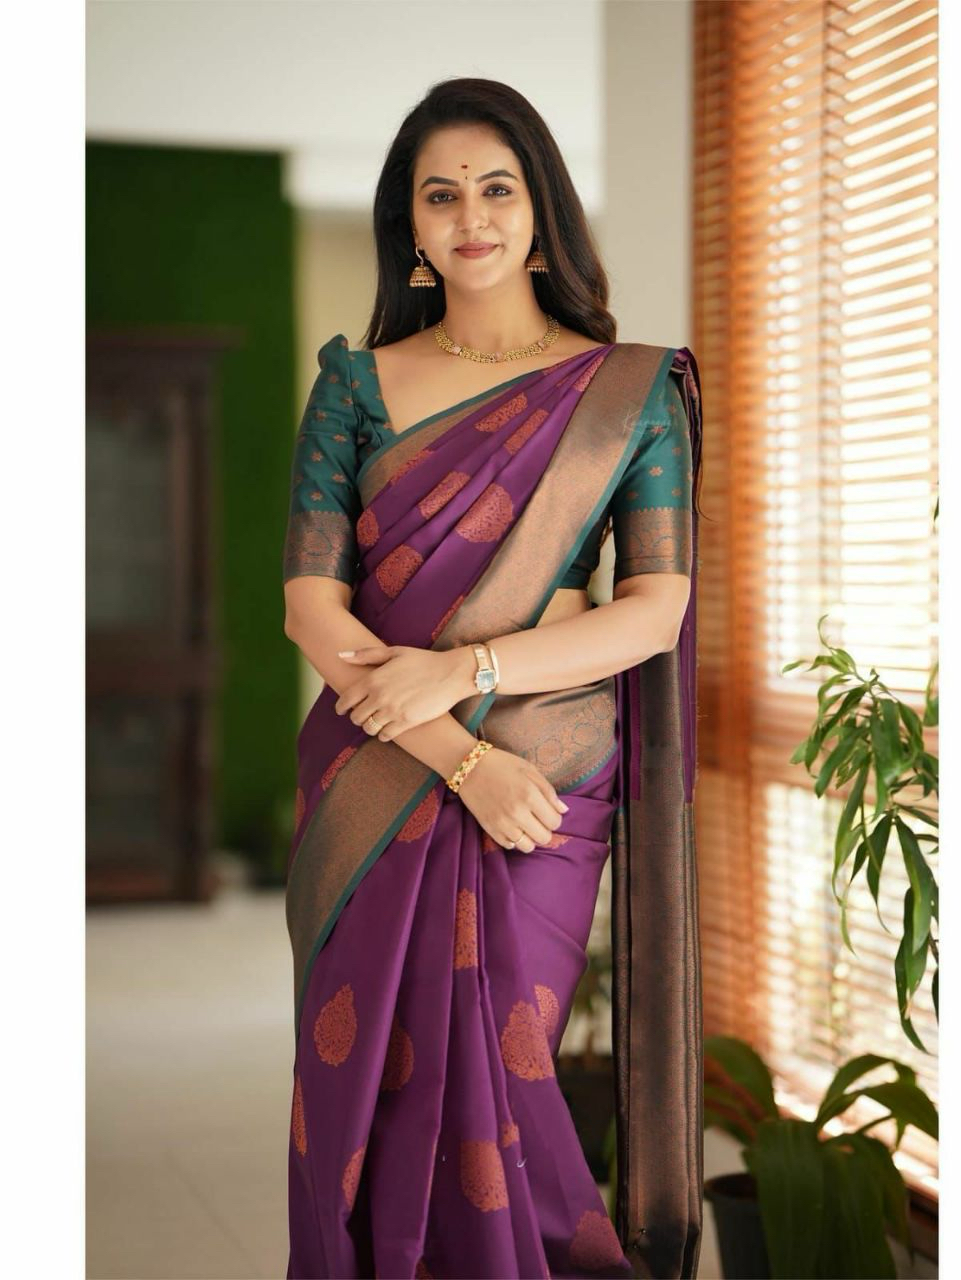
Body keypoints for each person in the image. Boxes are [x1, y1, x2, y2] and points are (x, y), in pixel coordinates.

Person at [281, 77, 704, 1280]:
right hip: (380, 769)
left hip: (547, 774)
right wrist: (456, 752)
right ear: (410, 227)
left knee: (505, 1085)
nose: (471, 215)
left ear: (540, 209)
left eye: (497, 187)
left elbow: (655, 608)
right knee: (363, 1094)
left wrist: (467, 671)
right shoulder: (356, 385)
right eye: (440, 194)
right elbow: (311, 603)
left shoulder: (628, 393)